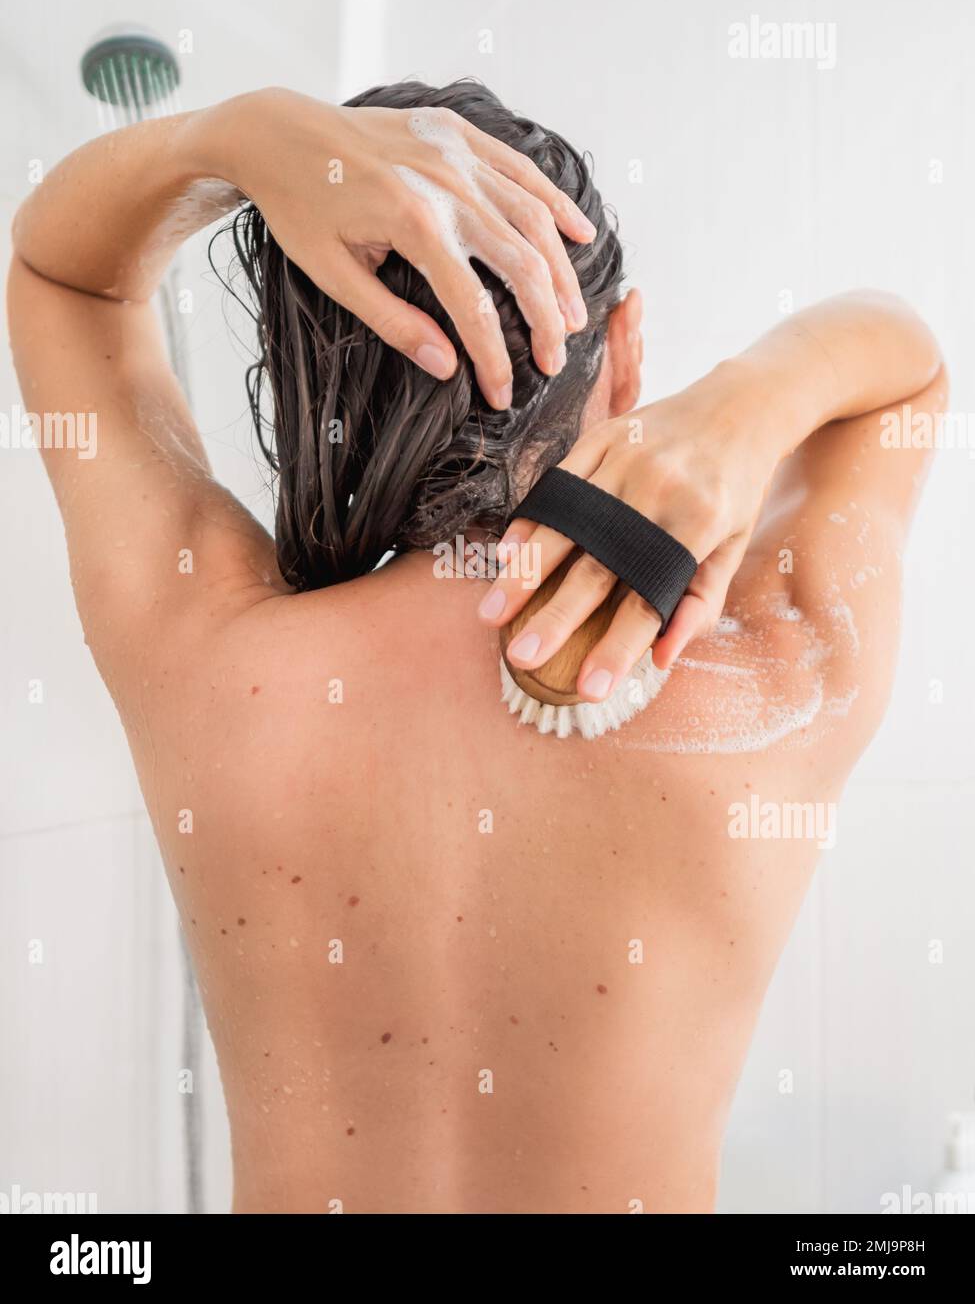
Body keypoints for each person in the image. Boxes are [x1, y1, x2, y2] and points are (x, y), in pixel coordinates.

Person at [8, 81, 946, 1213]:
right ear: (629, 354)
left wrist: (236, 137)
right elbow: (910, 371)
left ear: (313, 390)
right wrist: (744, 403)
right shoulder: (771, 679)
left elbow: (61, 277)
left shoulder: (207, 658)